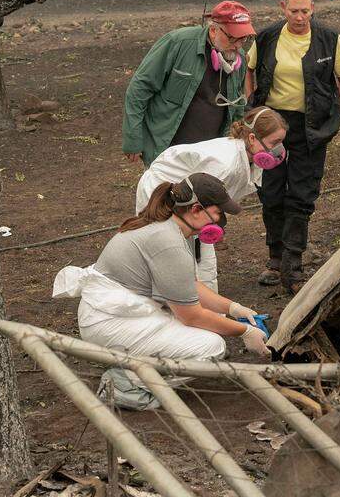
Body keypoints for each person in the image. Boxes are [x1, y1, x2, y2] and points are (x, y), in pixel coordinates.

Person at [64, 173, 269, 409]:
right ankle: (127, 384)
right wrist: (244, 332)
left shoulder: (168, 227)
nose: (220, 220)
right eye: (217, 212)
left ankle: (134, 362)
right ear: (195, 209)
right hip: (109, 322)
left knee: (206, 326)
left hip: (112, 315)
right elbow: (191, 315)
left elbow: (188, 285)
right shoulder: (168, 241)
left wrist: (233, 308)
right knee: (211, 347)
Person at [245, 0, 340, 292]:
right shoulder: (266, 37)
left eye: (305, 10)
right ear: (283, 8)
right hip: (272, 125)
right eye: (294, 10)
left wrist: (334, 109)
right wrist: (253, 108)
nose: (300, 16)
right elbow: (249, 71)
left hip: (311, 126)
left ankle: (294, 262)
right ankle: (274, 258)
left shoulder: (329, 39)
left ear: (313, 9)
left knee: (302, 195)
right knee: (271, 192)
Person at [136, 106, 288, 292]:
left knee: (204, 261)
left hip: (194, 200)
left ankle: (208, 312)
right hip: (162, 190)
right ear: (252, 138)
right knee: (171, 257)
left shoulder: (248, 157)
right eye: (274, 143)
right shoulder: (225, 164)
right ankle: (175, 309)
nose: (278, 150)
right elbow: (200, 198)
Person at [122, 0, 254, 167]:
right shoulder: (178, 43)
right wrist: (133, 139)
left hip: (212, 155)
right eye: (233, 38)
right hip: (168, 151)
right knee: (167, 193)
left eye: (243, 39)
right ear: (213, 30)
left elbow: (237, 111)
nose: (238, 46)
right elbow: (139, 89)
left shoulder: (239, 58)